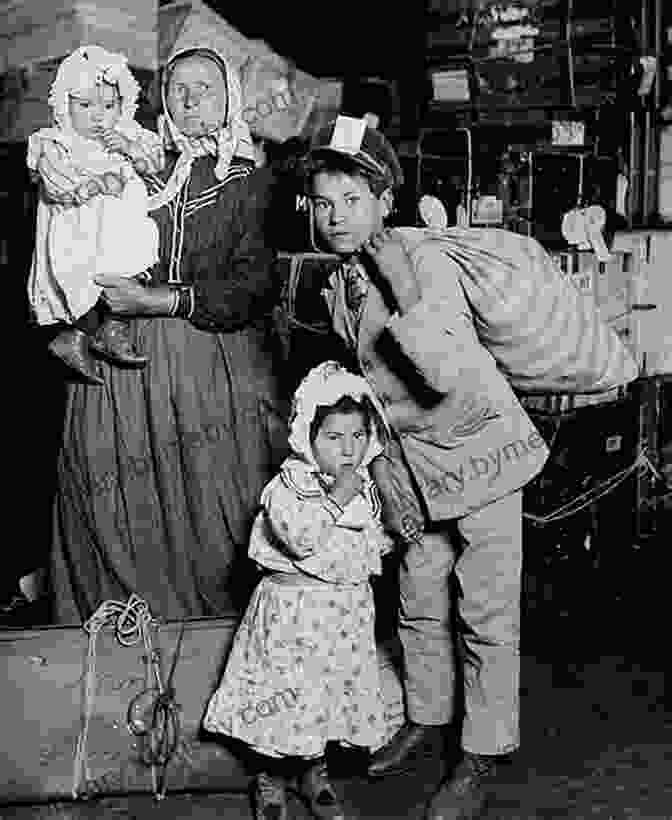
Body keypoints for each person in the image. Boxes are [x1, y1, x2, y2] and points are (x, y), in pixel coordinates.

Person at [298, 117, 551, 820]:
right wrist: (384, 475)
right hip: (417, 463)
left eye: (351, 198)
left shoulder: (421, 259)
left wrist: (406, 286)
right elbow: (371, 392)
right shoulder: (340, 278)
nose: (336, 216)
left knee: (486, 612)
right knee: (417, 596)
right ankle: (428, 716)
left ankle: (482, 753)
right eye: (323, 203)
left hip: (484, 455)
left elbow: (441, 372)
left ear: (385, 199)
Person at [49, 46, 287, 624]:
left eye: (205, 87)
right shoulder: (138, 164)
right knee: (110, 492)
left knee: (213, 506)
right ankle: (118, 634)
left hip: (208, 359)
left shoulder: (250, 180)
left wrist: (156, 299)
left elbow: (254, 286)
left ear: (229, 96)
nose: (190, 99)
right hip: (121, 361)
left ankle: (214, 642)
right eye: (178, 88)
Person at [204, 360, 394, 820]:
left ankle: (314, 771)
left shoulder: (363, 485)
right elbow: (299, 537)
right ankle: (268, 775)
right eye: (333, 438)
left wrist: (385, 533)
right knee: (283, 696)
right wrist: (336, 498)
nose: (347, 450)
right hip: (293, 613)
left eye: (357, 436)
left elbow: (368, 543)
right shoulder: (289, 488)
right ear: (308, 437)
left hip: (341, 617)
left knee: (324, 696)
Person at [27, 45, 165, 385]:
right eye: (85, 105)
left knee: (140, 263)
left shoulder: (129, 135)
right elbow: (57, 186)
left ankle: (107, 331)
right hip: (80, 227)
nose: (98, 114)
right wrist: (92, 184)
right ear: (65, 105)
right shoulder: (56, 143)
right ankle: (79, 333)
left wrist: (130, 150)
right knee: (84, 281)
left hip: (124, 225)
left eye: (109, 105)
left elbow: (156, 164)